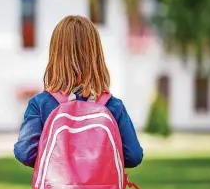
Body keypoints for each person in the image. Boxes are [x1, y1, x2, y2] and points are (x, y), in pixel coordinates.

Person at [13, 15, 144, 170]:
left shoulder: (40, 104)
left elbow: (25, 153)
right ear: (96, 55)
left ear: (55, 55)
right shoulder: (112, 106)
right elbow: (134, 156)